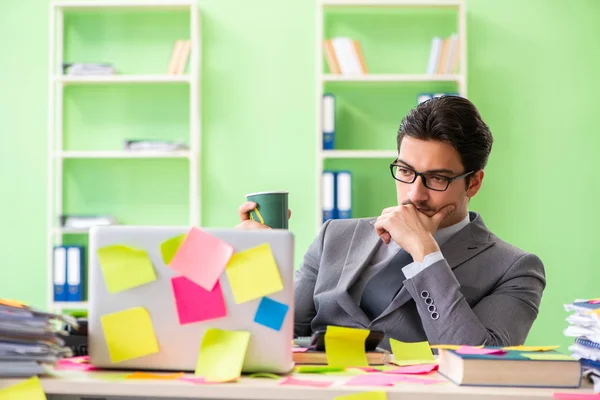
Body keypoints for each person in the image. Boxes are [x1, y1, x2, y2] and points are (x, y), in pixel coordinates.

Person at [236, 96, 546, 348]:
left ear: (474, 183)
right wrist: (255, 264)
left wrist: (425, 253)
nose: (415, 194)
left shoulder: (515, 269)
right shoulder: (335, 235)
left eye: (437, 178)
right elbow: (277, 332)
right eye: (406, 171)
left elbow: (480, 364)